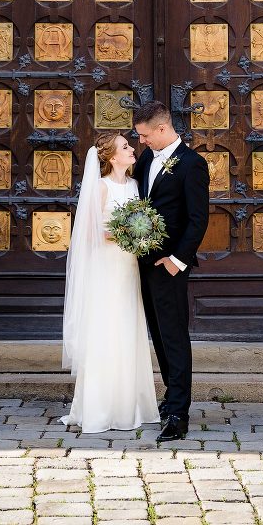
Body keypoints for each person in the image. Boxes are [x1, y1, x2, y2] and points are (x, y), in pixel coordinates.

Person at [61, 132, 160, 434]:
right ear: (112, 157)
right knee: (106, 330)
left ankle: (129, 405)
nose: (133, 149)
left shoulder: (134, 186)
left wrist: (141, 233)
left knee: (127, 328)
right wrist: (126, 233)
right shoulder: (101, 188)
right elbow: (90, 231)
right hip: (106, 267)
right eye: (126, 147)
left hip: (129, 267)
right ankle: (100, 408)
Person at [132, 101, 210, 442]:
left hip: (170, 266)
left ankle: (179, 413)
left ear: (163, 129)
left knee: (175, 337)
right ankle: (169, 398)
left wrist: (177, 260)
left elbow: (198, 219)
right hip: (142, 262)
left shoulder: (193, 164)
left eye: (145, 135)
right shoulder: (147, 160)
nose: (142, 142)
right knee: (159, 336)